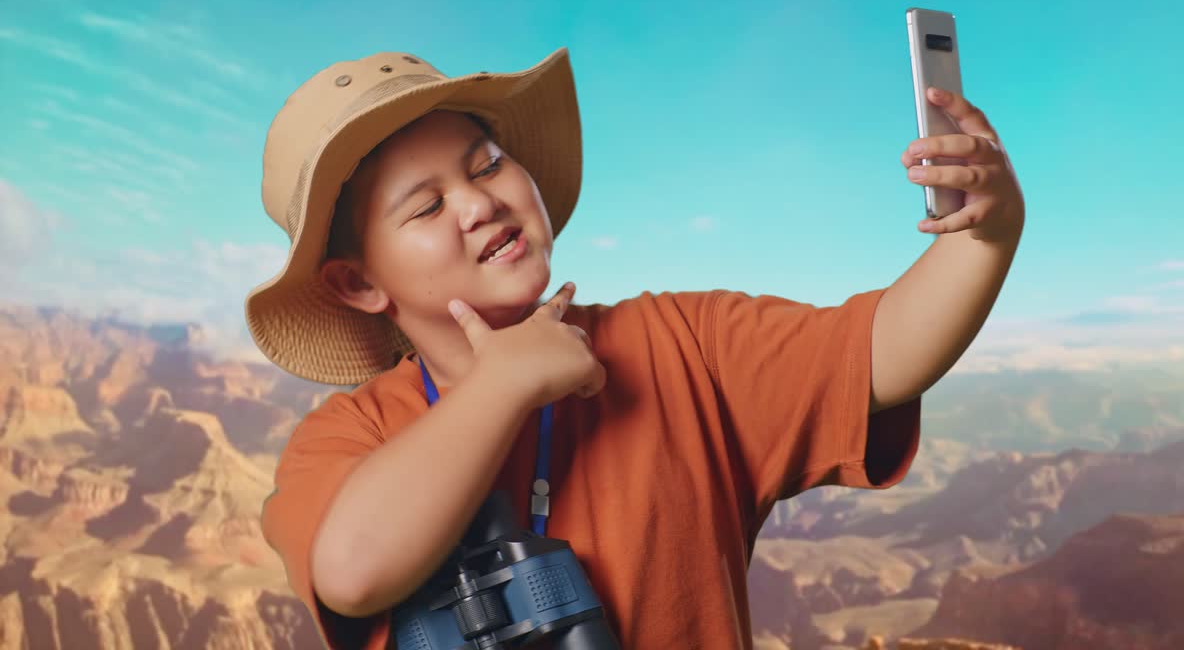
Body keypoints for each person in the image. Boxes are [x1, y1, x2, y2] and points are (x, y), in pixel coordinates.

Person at [248, 47, 1024, 649]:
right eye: (425, 206)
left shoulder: (681, 345)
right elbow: (352, 571)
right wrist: (501, 387)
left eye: (486, 164)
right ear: (358, 284)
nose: (480, 202)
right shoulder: (349, 439)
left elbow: (885, 352)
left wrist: (987, 234)